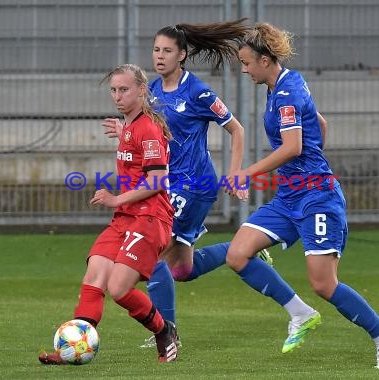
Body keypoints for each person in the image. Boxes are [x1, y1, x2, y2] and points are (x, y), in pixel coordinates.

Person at [224, 22, 379, 369]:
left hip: (317, 198)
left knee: (323, 284)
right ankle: (300, 313)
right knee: (238, 253)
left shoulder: (287, 92)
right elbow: (320, 125)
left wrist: (247, 172)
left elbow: (293, 146)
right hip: (290, 196)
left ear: (264, 60)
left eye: (246, 63)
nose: (244, 70)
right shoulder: (284, 84)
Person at [105, 19, 273, 349]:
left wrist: (235, 172)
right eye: (155, 50)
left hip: (194, 185)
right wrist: (123, 131)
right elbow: (147, 136)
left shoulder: (198, 92)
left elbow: (236, 129)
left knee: (152, 252)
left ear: (182, 55)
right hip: (169, 185)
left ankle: (166, 332)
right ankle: (245, 247)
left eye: (167, 51)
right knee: (182, 269)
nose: (159, 56)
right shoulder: (149, 91)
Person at [39, 63, 178, 364]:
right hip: (126, 217)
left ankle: (163, 330)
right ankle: (72, 349)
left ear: (142, 90)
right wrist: (124, 132)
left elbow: (157, 181)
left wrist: (116, 199)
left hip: (150, 218)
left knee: (118, 288)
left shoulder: (149, 130)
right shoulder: (130, 126)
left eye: (124, 89)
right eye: (114, 90)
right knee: (94, 276)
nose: (117, 96)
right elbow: (134, 147)